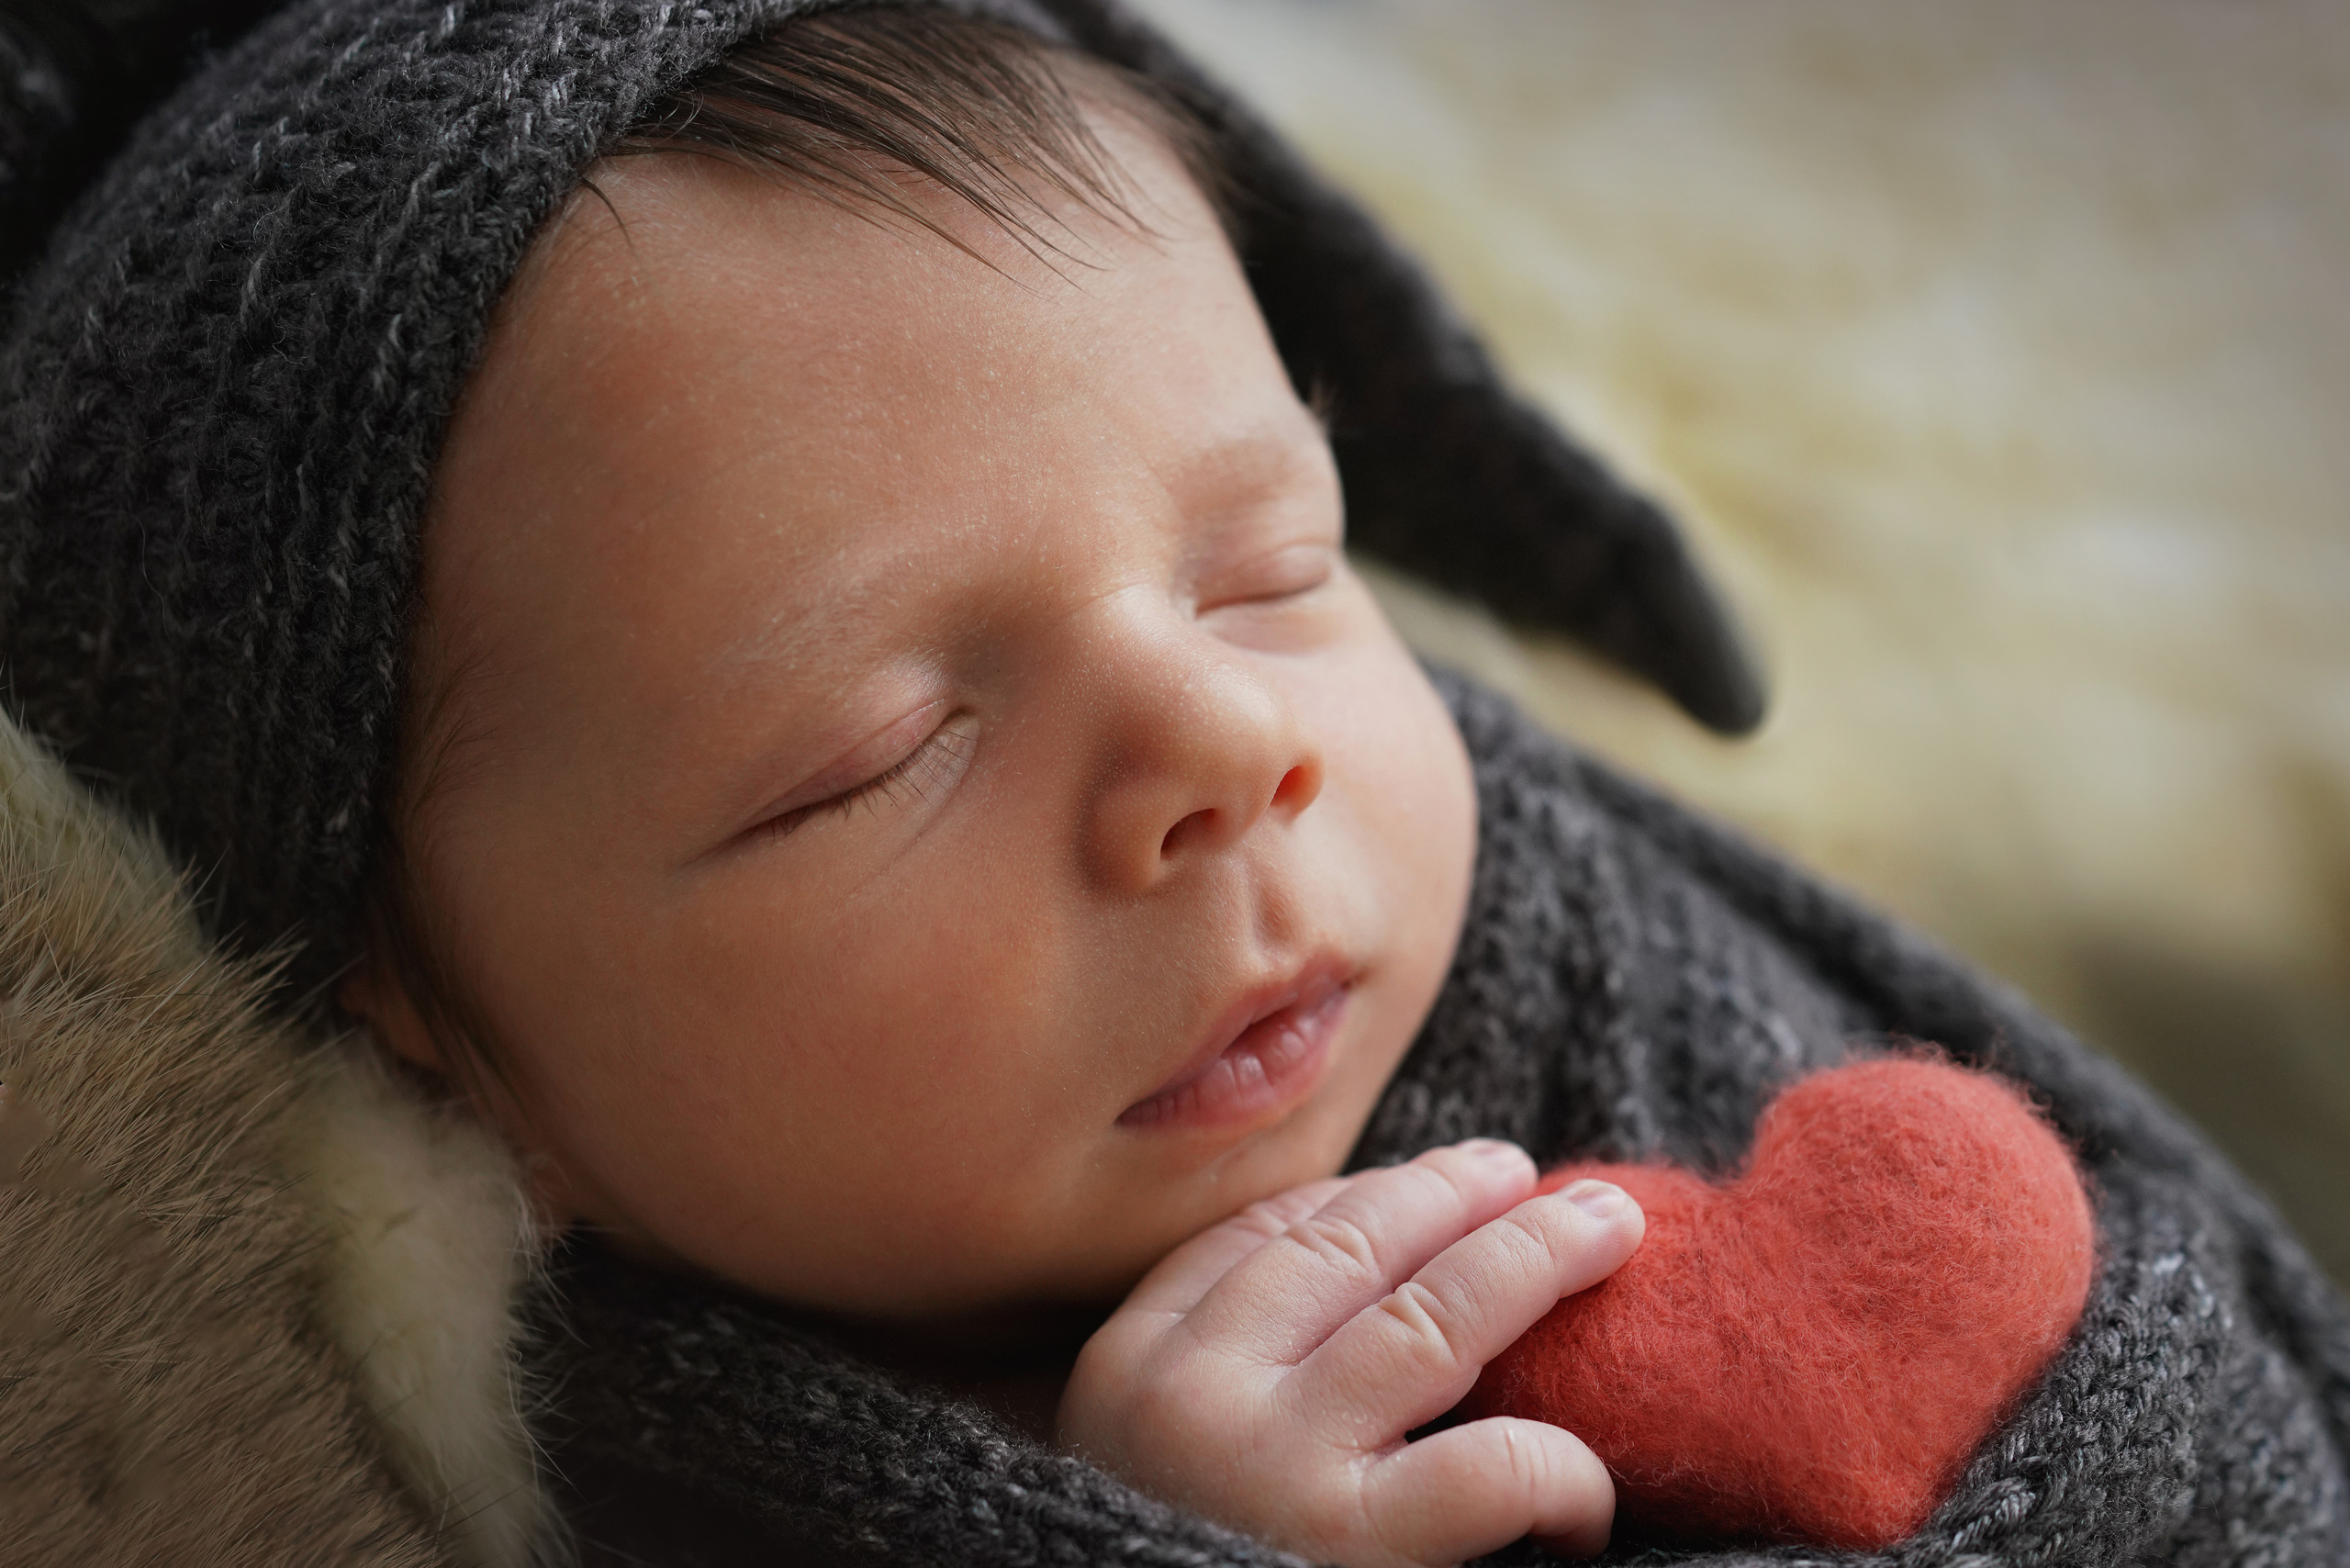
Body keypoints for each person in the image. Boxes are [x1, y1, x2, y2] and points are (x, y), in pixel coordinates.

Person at [0, 3, 2343, 1566]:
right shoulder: (521, 1450)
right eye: (879, 754)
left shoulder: (1613, 988)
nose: (1232, 752)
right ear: (399, 988)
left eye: (1269, 569)